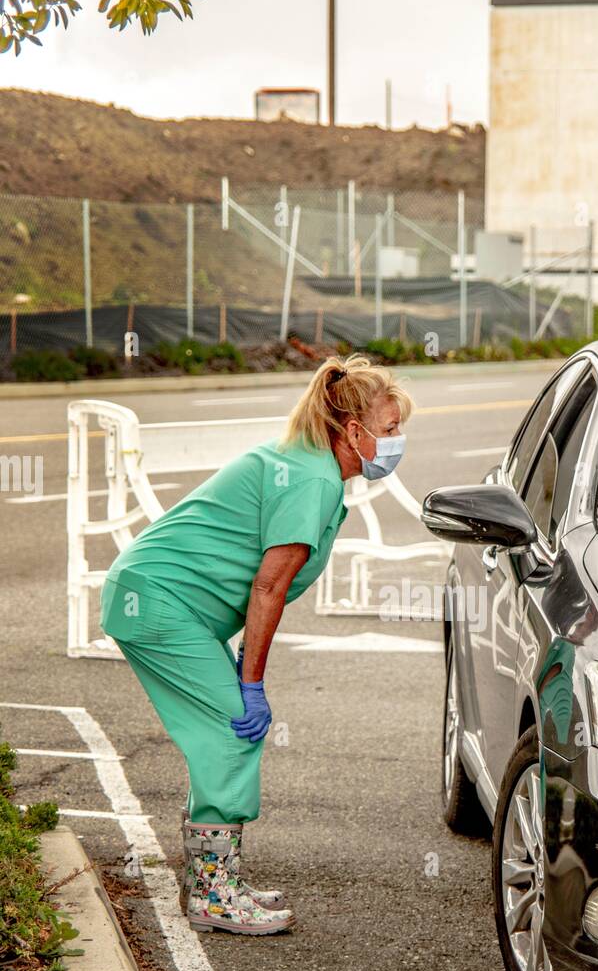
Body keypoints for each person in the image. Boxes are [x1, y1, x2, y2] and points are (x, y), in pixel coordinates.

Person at [100, 354, 412, 936]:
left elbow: (264, 585)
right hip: (159, 601)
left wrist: (248, 670)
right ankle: (214, 895)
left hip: (160, 598)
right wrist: (251, 682)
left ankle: (213, 881)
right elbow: (269, 587)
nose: (398, 442)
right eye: (390, 430)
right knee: (231, 728)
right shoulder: (314, 481)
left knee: (227, 729)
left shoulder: (309, 465)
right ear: (353, 431)